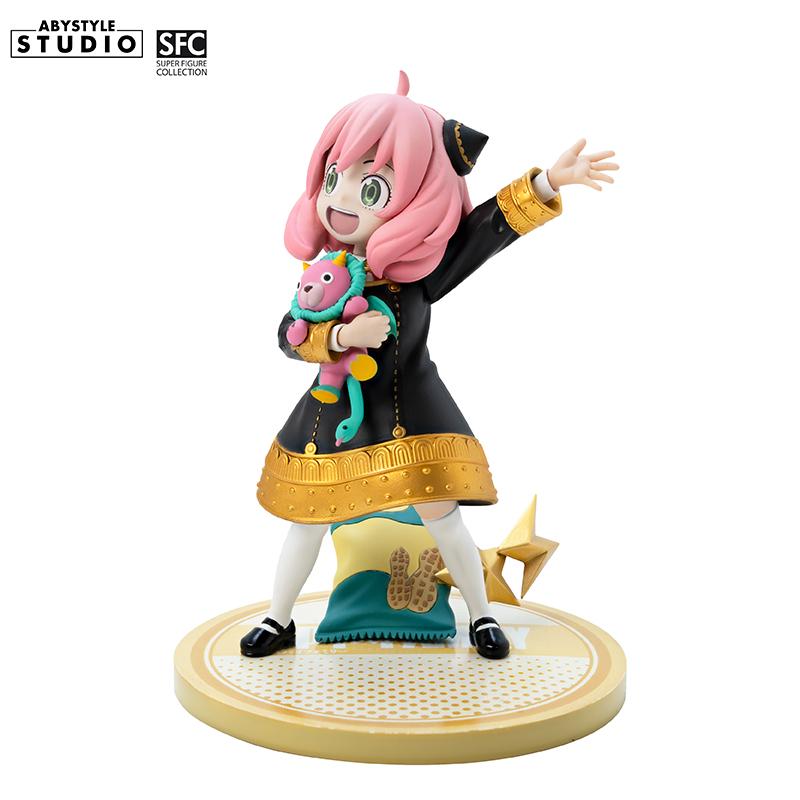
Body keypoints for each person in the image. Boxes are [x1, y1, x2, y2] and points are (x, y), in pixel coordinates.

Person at [242, 71, 618, 659]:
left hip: (410, 413)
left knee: (443, 519)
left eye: (371, 189)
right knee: (308, 520)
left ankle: (482, 616)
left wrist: (546, 182)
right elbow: (288, 336)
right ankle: (278, 619)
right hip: (332, 415)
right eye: (334, 178)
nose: (341, 200)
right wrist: (339, 335)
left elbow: (486, 233)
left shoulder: (422, 274)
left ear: (420, 199)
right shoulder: (324, 274)